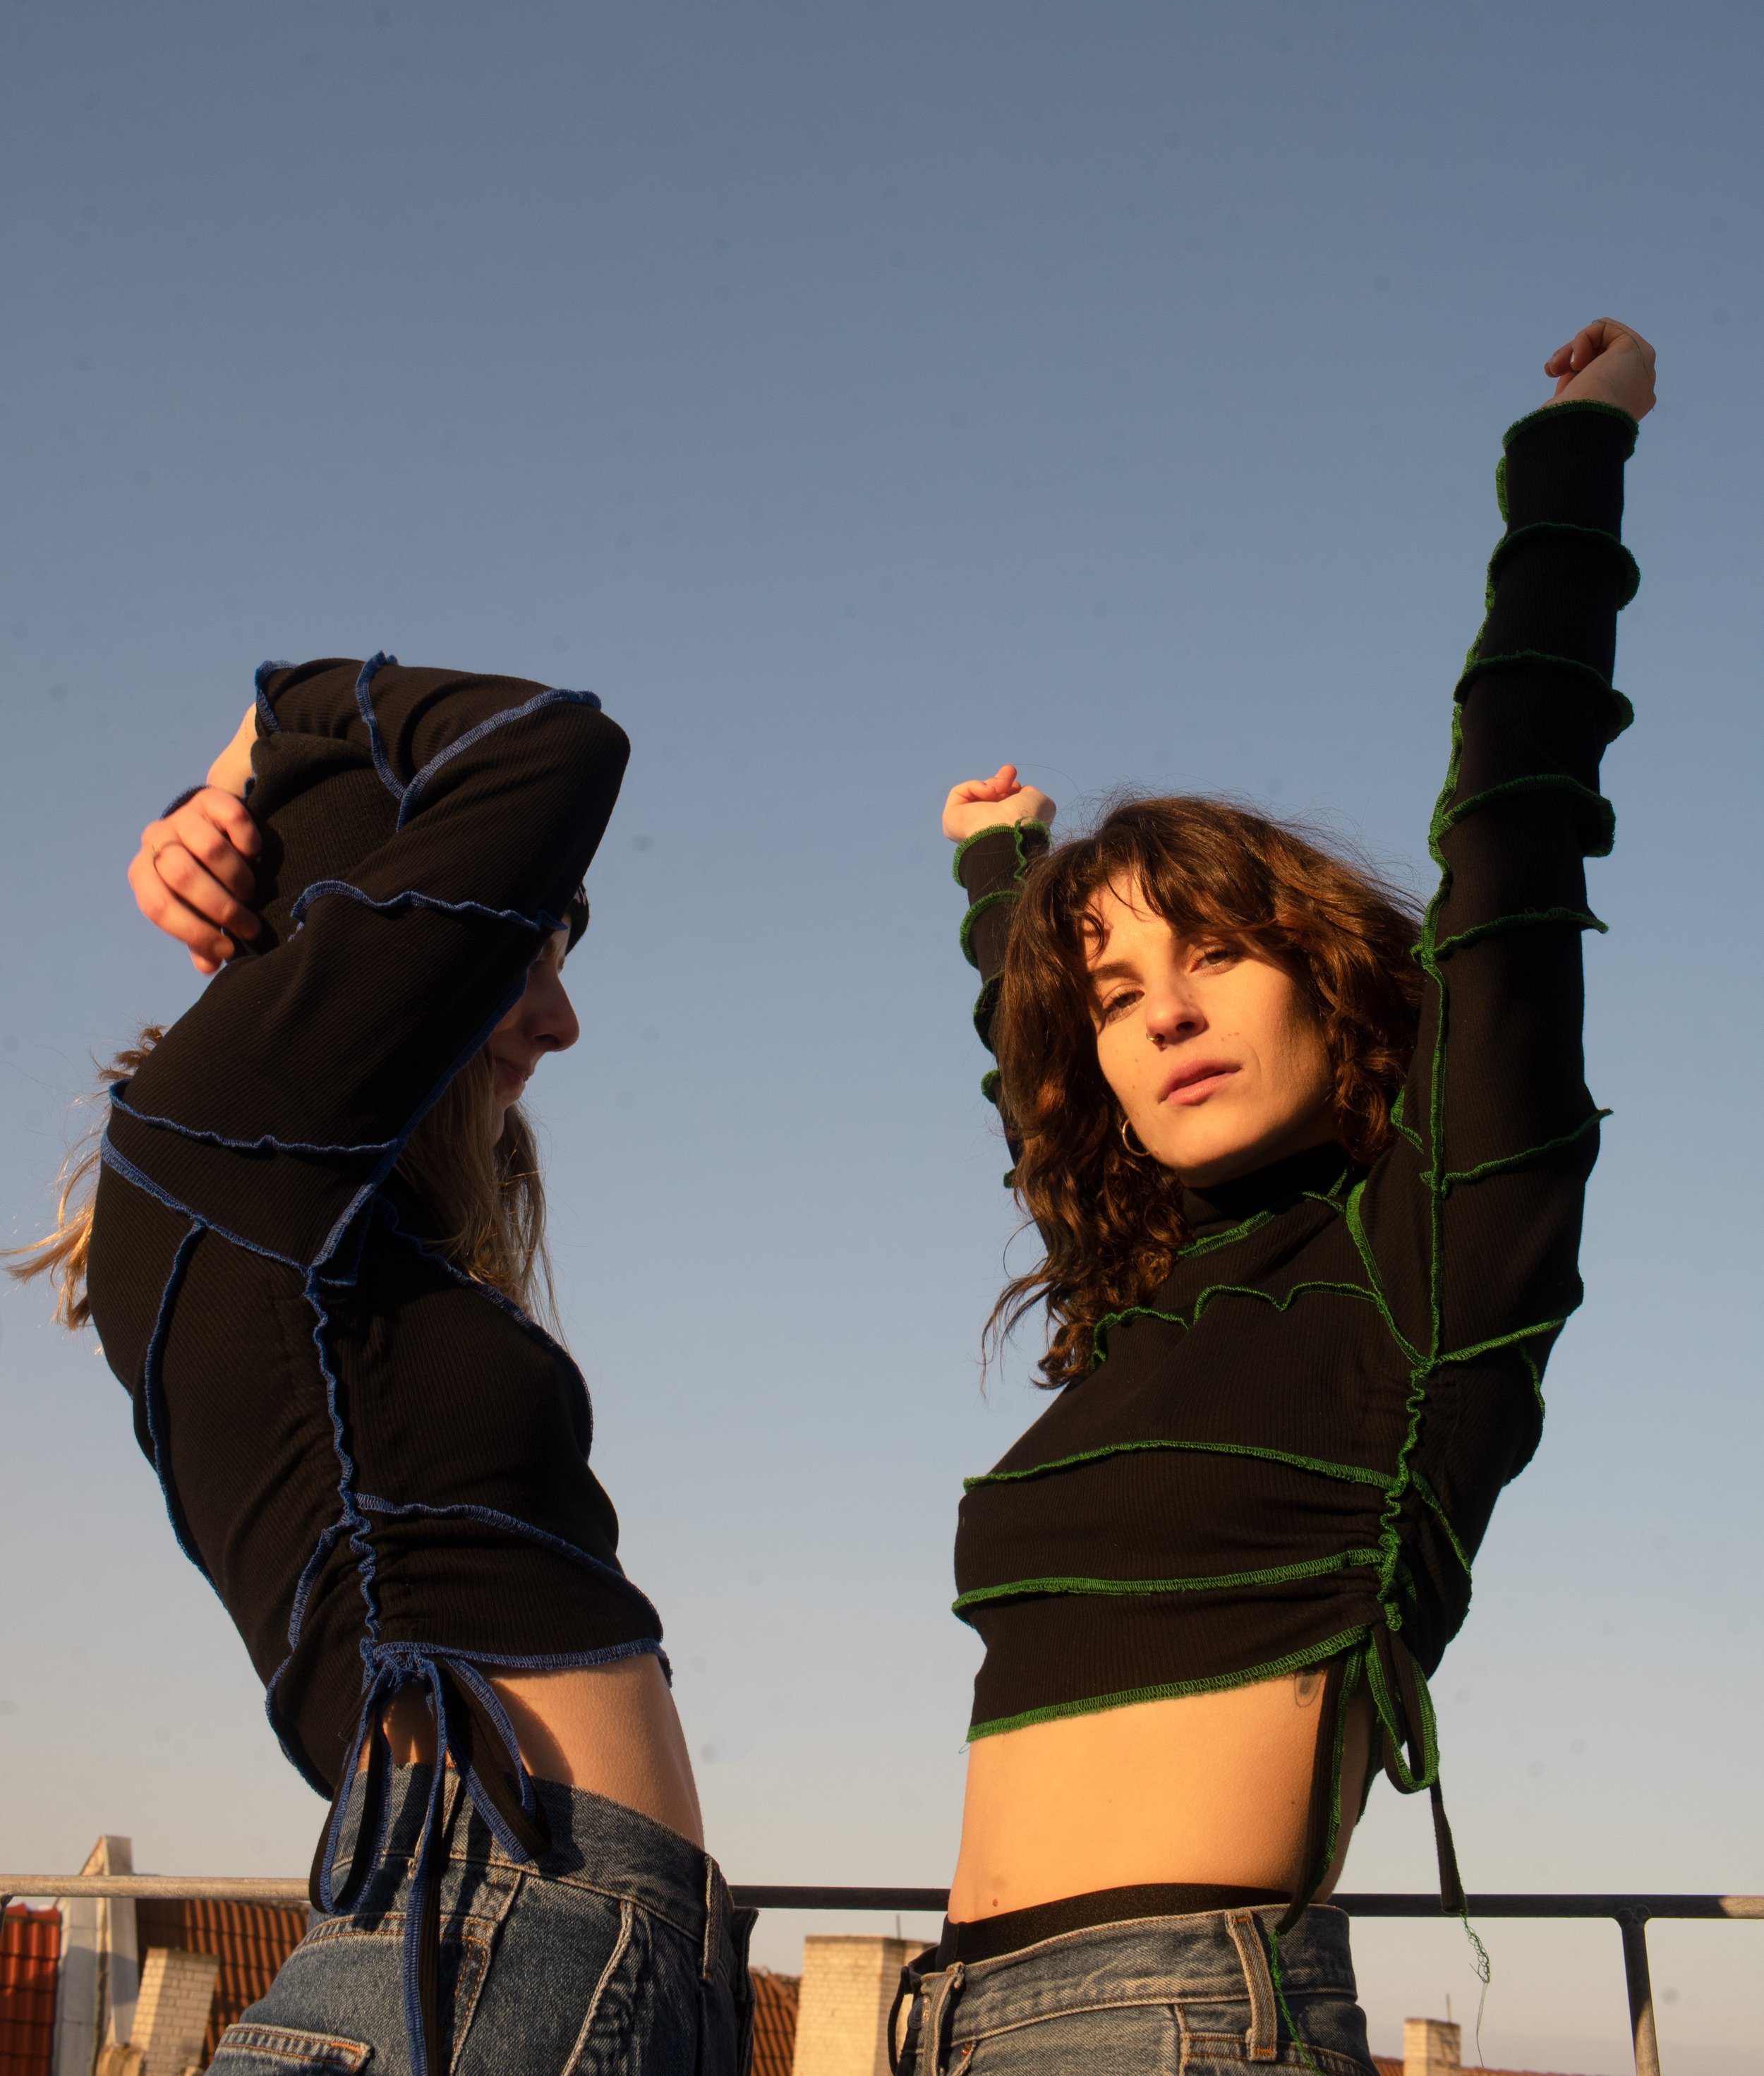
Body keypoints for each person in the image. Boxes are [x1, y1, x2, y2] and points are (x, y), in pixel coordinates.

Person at [903, 322, 1655, 2075]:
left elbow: (1512, 834)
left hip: (1172, 2018)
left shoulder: (1426, 1244)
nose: (1160, 1009)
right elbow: (1039, 1090)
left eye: (1216, 954)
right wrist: (1002, 882)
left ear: (1328, 975)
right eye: (1113, 990)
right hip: (955, 2018)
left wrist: (1573, 454)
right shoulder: (1146, 1293)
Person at [11, 657, 751, 2076]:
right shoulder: (221, 1145)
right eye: (517, 956)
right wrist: (266, 729)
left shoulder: (308, 1218)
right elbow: (552, 745)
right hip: (483, 1948)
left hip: (575, 1952)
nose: (560, 1020)